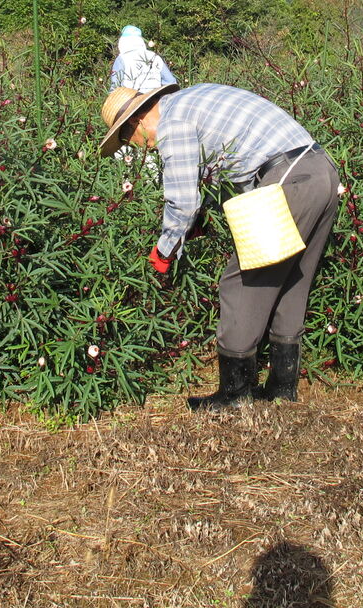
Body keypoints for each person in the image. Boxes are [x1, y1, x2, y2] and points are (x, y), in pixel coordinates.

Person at [98, 82, 339, 411]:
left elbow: (181, 202)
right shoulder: (190, 100)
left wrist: (164, 251)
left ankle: (234, 394)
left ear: (137, 121)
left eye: (126, 139)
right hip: (319, 170)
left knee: (240, 281)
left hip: (289, 178)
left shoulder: (172, 124)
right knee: (292, 280)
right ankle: (282, 390)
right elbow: (233, 163)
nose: (137, 147)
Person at [110, 25, 177, 92]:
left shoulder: (121, 59)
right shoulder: (155, 56)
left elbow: (115, 86)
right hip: (155, 98)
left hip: (131, 99)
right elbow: (170, 81)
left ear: (122, 42)